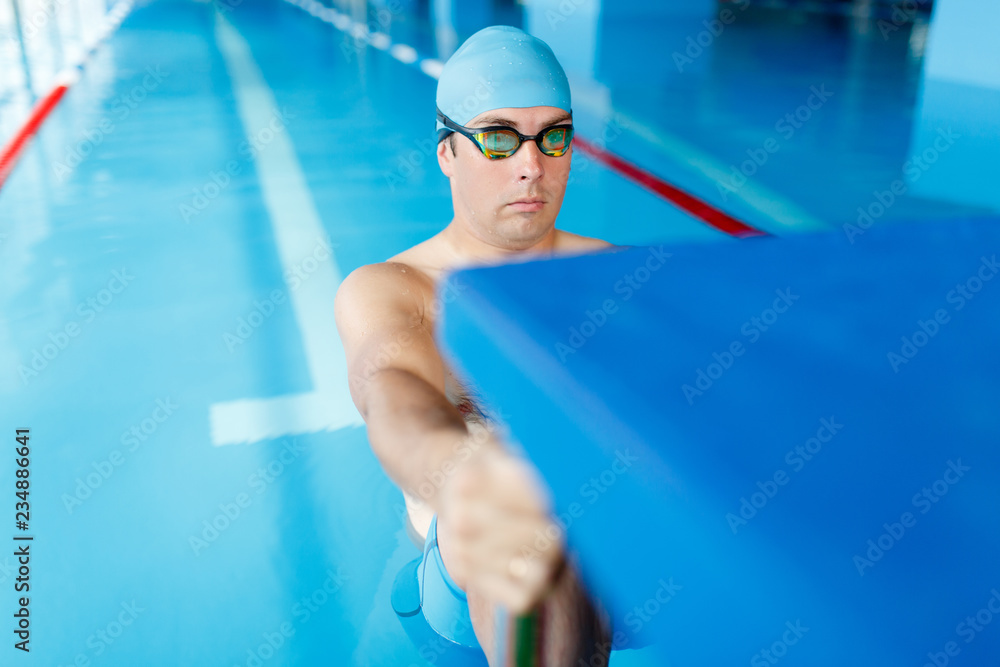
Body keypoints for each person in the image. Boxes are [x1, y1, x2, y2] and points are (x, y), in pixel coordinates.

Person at [335, 25, 619, 665]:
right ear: (447, 153)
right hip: (458, 601)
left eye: (554, 136)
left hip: (617, 563)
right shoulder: (394, 289)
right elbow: (390, 393)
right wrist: (462, 470)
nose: (531, 165)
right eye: (497, 137)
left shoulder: (616, 278)